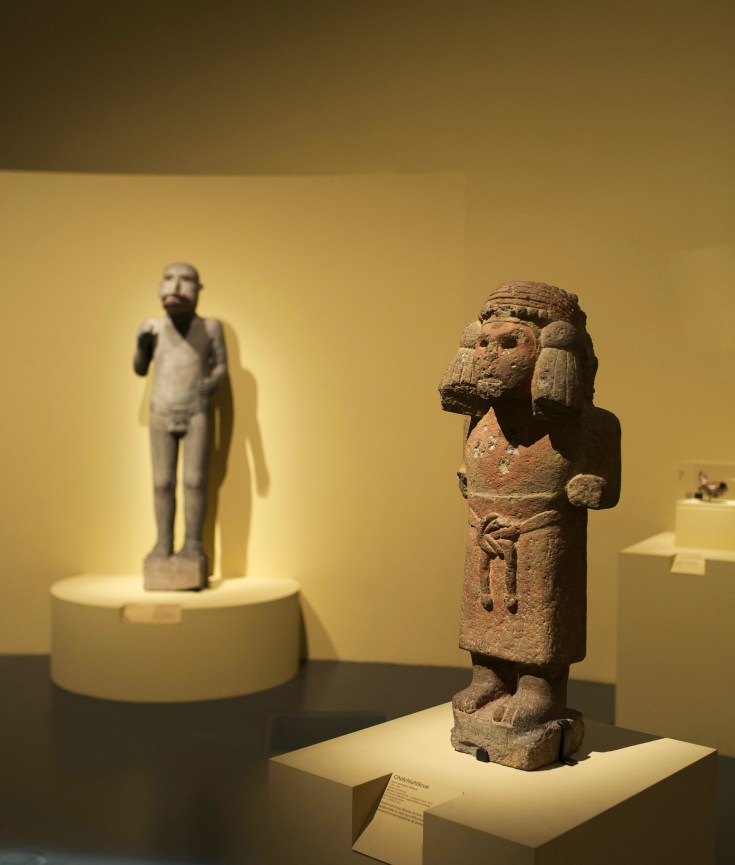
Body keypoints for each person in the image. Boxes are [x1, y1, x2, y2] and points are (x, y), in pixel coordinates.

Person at [439, 281, 620, 769]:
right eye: (483, 343)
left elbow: (606, 485)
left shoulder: (589, 424)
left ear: (550, 353)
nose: (489, 355)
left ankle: (541, 689)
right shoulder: (478, 418)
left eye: (509, 343)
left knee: (542, 612)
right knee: (483, 608)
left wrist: (593, 488)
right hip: (485, 531)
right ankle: (489, 678)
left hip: (543, 535)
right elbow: (468, 471)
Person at [134, 262, 227, 586]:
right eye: (169, 279)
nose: (175, 286)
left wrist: (213, 381)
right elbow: (140, 368)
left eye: (185, 280)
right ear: (159, 287)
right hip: (161, 410)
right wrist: (142, 345)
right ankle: (163, 543)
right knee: (162, 482)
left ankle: (193, 545)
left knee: (194, 480)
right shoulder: (152, 327)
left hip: (197, 410)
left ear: (198, 290)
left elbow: (221, 366)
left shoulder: (210, 328)